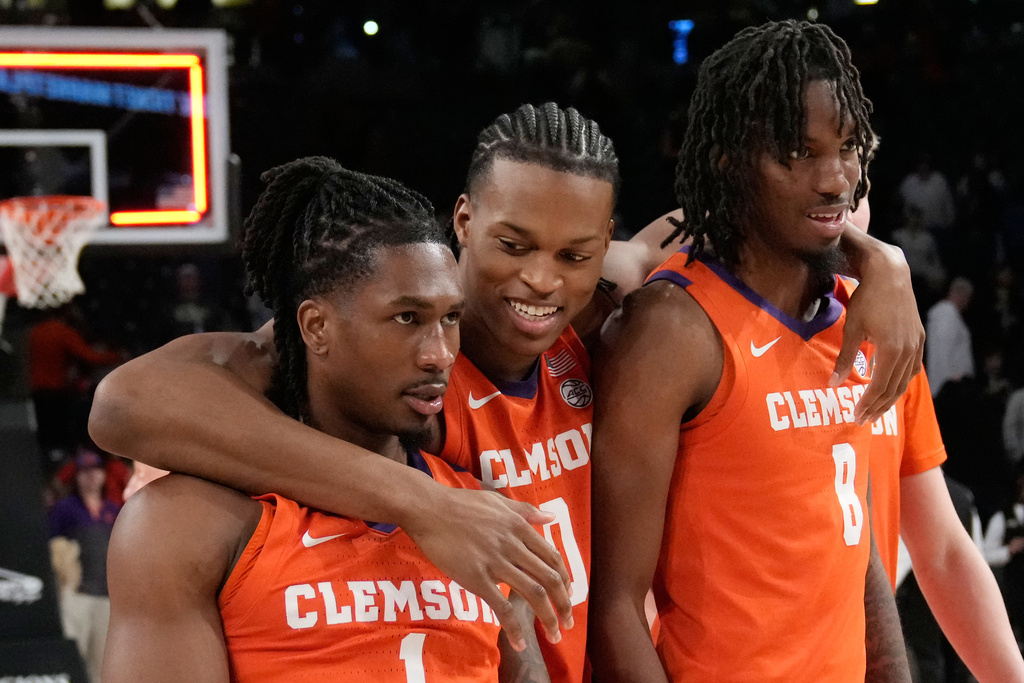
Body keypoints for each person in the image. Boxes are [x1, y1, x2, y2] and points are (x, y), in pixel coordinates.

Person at [90, 103, 923, 680]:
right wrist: (424, 502)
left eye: (573, 254)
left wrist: (880, 261)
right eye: (513, 243)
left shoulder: (602, 313)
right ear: (463, 223)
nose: (540, 280)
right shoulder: (390, 362)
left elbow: (751, 219)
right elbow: (127, 402)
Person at [102, 158, 517, 682]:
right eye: (407, 318)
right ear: (316, 327)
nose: (439, 354)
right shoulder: (187, 527)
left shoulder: (484, 513)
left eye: (450, 318)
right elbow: (120, 402)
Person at [588, 21, 909, 682]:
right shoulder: (672, 329)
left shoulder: (855, 311)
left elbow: (858, 556)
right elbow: (614, 605)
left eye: (848, 147)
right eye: (798, 152)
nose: (834, 178)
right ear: (728, 159)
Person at [48, 447, 121, 683]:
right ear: (77, 477)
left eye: (95, 471)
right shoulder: (65, 508)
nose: (91, 477)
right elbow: (50, 547)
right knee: (72, 656)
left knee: (102, 661)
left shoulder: (114, 509)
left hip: (106, 595)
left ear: (103, 475)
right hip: (75, 595)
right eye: (85, 472)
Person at [926, 276, 975, 397]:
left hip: (953, 384)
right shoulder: (946, 313)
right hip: (949, 386)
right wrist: (948, 381)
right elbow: (943, 350)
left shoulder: (949, 314)